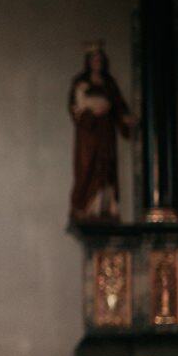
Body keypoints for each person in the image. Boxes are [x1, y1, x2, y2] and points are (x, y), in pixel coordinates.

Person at [68, 43, 136, 223]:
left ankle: (104, 209)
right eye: (94, 59)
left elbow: (118, 105)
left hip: (106, 133)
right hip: (89, 135)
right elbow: (75, 108)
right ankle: (86, 208)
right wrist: (91, 112)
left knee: (107, 168)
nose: (97, 63)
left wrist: (124, 118)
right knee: (88, 167)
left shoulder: (109, 83)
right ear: (89, 62)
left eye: (100, 59)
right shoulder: (81, 82)